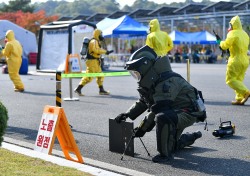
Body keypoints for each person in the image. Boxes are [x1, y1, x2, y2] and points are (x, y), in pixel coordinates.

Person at [115, 46, 206, 163]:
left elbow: (156, 110)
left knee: (162, 117)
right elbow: (144, 101)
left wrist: (141, 129)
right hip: (175, 110)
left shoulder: (167, 82)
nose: (136, 77)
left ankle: (165, 155)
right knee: (172, 145)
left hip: (188, 112)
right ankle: (193, 136)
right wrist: (127, 114)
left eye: (137, 73)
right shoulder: (157, 80)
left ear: (146, 69)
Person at [217, 15, 250, 105]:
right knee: (238, 80)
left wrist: (220, 42)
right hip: (246, 60)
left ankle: (245, 92)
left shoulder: (232, 33)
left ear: (232, 25)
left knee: (230, 80)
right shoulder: (245, 34)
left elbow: (225, 45)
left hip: (236, 60)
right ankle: (239, 99)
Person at [74, 29, 113, 96]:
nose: (102, 36)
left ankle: (101, 90)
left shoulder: (96, 41)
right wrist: (105, 52)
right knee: (89, 77)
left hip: (95, 61)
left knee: (100, 75)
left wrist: (105, 52)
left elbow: (97, 50)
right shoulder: (94, 41)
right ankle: (78, 88)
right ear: (97, 34)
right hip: (92, 62)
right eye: (101, 34)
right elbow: (96, 50)